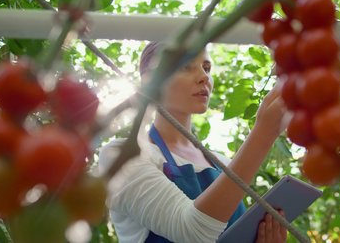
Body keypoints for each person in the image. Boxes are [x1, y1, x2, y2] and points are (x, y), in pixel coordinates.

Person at [98, 41, 288, 243]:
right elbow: (191, 232)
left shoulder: (224, 164)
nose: (205, 77)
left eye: (206, 68)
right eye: (186, 66)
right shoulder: (123, 155)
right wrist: (264, 133)